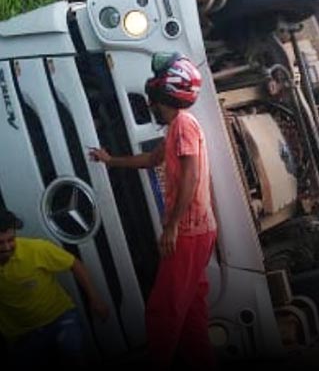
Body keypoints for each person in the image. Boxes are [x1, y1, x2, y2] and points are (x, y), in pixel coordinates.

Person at [89, 52, 217, 370]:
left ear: (165, 95)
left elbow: (190, 177)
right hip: (200, 231)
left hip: (188, 231)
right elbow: (150, 161)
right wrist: (110, 160)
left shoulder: (184, 125)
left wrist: (172, 226)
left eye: (153, 98)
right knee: (190, 309)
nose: (151, 105)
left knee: (162, 312)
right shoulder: (176, 128)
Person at [0, 209, 110, 367]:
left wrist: (95, 298)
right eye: (0, 242)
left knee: (71, 353)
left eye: (10, 240)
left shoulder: (36, 248)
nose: (6, 247)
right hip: (21, 336)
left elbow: (74, 264)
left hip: (59, 319)